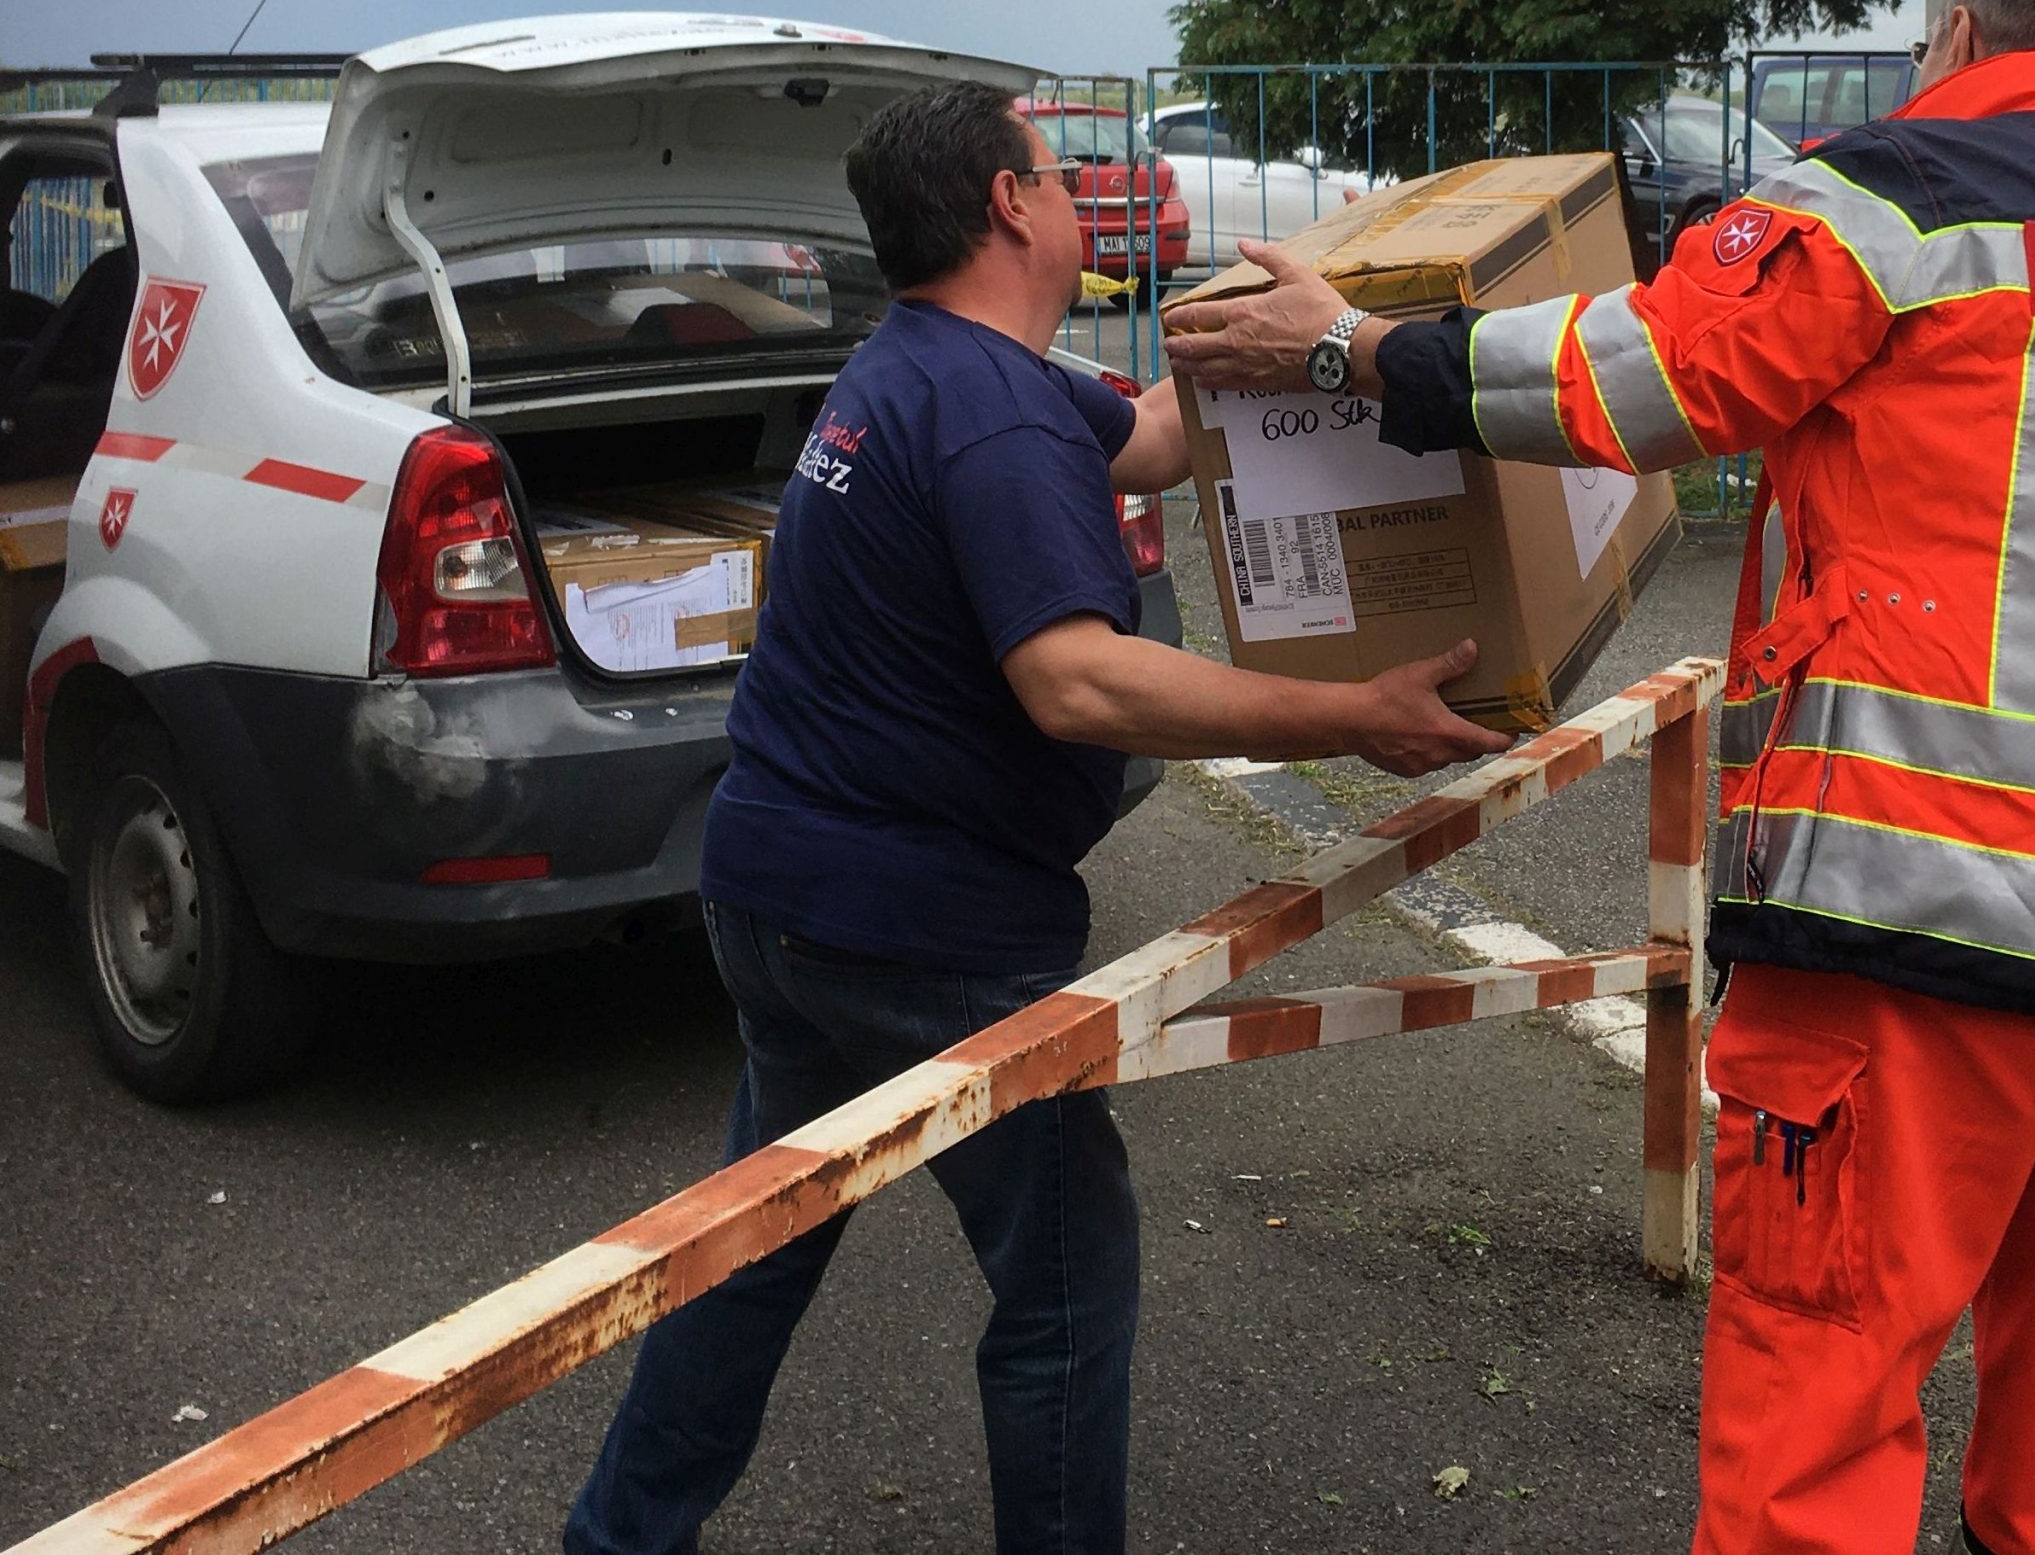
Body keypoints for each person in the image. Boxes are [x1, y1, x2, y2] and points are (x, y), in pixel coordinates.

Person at [1165, 0, 2035, 1555]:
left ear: (1965, 42)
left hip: (1936, 906)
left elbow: (1636, 384)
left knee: (1825, 1384)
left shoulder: (1902, 191)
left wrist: (1346, 344)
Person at [562, 82, 1511, 1555]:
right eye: (1061, 172)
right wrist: (1351, 711)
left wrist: (1292, 347)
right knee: (1065, 1288)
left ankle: (619, 1538)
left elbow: (1138, 443)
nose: (1083, 194)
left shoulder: (926, 364)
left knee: (751, 1250)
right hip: (919, 927)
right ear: (1011, 205)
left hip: (776, 890)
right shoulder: (988, 412)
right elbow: (1074, 682)